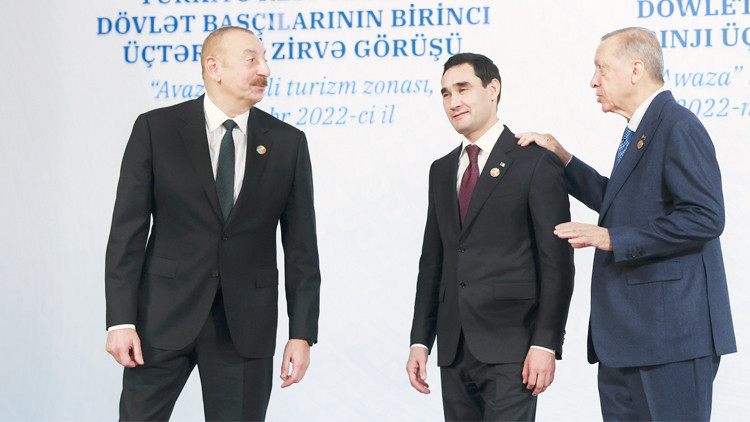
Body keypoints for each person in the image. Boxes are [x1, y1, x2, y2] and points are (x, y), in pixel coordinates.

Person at [517, 27, 736, 421]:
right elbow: (624, 204)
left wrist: (613, 238)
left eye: (602, 68)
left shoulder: (678, 125)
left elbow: (705, 216)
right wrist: (564, 159)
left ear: (636, 70)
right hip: (628, 341)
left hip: (671, 342)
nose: (593, 81)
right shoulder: (643, 128)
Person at [104, 26, 321, 421]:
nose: (265, 70)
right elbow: (126, 233)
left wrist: (302, 332)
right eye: (252, 59)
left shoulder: (287, 142)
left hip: (245, 328)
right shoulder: (156, 129)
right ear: (214, 67)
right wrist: (120, 320)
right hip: (160, 320)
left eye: (266, 59)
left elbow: (302, 248)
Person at [406, 52, 574, 421]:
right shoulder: (441, 170)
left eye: (463, 89)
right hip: (453, 349)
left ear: (492, 89)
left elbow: (557, 263)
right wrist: (421, 339)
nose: (453, 101)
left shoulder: (535, 161)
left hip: (514, 348)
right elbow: (433, 262)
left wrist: (546, 343)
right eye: (445, 93)